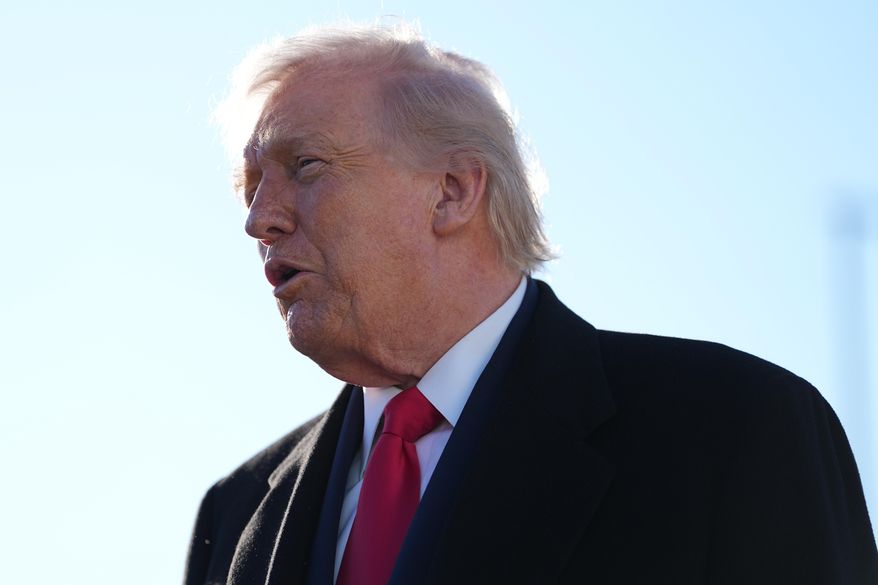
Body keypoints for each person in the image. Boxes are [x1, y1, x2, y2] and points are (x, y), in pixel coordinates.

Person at [184, 22, 877, 585]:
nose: (260, 218)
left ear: (452, 190)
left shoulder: (735, 426)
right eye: (251, 184)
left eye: (305, 167)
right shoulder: (239, 508)